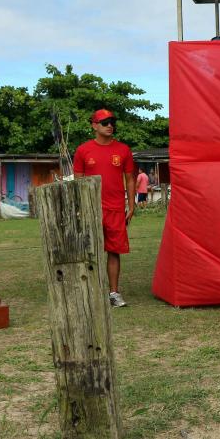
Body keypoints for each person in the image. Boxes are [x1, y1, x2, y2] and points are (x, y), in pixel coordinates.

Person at [73, 109, 136, 308]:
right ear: (94, 126)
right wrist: (80, 207)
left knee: (114, 251)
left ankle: (114, 293)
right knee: (88, 252)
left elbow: (130, 179)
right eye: (104, 122)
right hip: (91, 208)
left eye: (112, 122)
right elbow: (78, 181)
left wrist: (131, 204)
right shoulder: (83, 150)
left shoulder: (123, 150)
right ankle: (89, 292)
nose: (110, 125)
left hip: (116, 208)